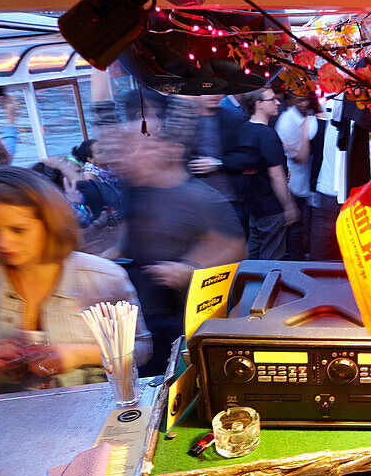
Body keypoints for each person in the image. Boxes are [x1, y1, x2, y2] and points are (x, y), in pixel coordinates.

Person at [0, 167, 151, 395]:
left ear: (51, 224)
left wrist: (82, 354)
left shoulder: (104, 277)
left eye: (18, 230)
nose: (2, 243)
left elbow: (141, 349)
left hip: (95, 413)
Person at [117, 130, 245, 376]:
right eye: (133, 148)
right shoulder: (138, 190)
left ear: (173, 151)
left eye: (147, 147)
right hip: (141, 313)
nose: (135, 155)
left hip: (179, 316)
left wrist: (189, 267)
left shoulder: (200, 197)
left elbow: (235, 246)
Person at [231, 87, 298, 260]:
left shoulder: (243, 128)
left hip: (253, 205)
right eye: (271, 99)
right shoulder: (267, 135)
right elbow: (276, 175)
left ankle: (246, 286)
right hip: (271, 208)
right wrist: (288, 205)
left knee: (252, 256)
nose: (277, 103)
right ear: (258, 104)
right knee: (270, 262)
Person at [187, 94, 248, 234]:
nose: (213, 95)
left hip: (228, 200)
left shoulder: (232, 118)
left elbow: (246, 157)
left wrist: (218, 163)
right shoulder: (186, 120)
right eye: (206, 91)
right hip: (195, 201)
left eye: (216, 90)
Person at [275, 93, 320, 260]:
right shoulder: (288, 122)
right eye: (300, 99)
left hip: (303, 182)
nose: (305, 103)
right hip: (294, 183)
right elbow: (300, 157)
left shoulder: (303, 118)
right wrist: (305, 130)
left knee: (301, 230)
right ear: (291, 100)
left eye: (306, 98)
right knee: (297, 230)